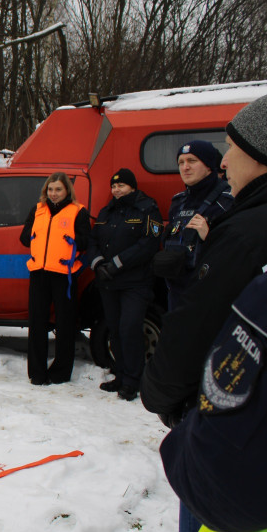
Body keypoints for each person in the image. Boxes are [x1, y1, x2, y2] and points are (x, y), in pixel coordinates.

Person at [140, 90, 267, 532]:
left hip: (229, 445)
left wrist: (167, 400)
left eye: (230, 148)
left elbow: (199, 324)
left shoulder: (251, 228)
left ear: (263, 153)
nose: (224, 160)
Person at [86, 168, 162, 401]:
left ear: (132, 187)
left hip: (134, 283)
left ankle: (132, 381)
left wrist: (116, 264)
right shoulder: (106, 211)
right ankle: (119, 375)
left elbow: (149, 243)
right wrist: (98, 264)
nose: (117, 189)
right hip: (108, 282)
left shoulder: (148, 209)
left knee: (130, 329)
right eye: (114, 186)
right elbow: (92, 240)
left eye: (121, 186)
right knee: (115, 329)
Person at [19, 172, 91, 385]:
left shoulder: (78, 211)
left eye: (58, 189)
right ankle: (37, 373)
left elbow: (86, 241)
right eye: (50, 189)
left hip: (64, 275)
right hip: (39, 273)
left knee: (65, 325)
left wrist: (71, 239)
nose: (54, 193)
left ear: (67, 190)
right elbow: (24, 238)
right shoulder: (38, 210)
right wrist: (34, 233)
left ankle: (60, 372)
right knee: (37, 323)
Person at [153, 141, 233, 310]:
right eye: (181, 162)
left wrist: (208, 236)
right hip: (177, 295)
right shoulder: (178, 202)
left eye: (192, 161)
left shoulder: (226, 200)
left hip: (211, 296)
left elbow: (235, 252)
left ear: (210, 166)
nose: (185, 167)